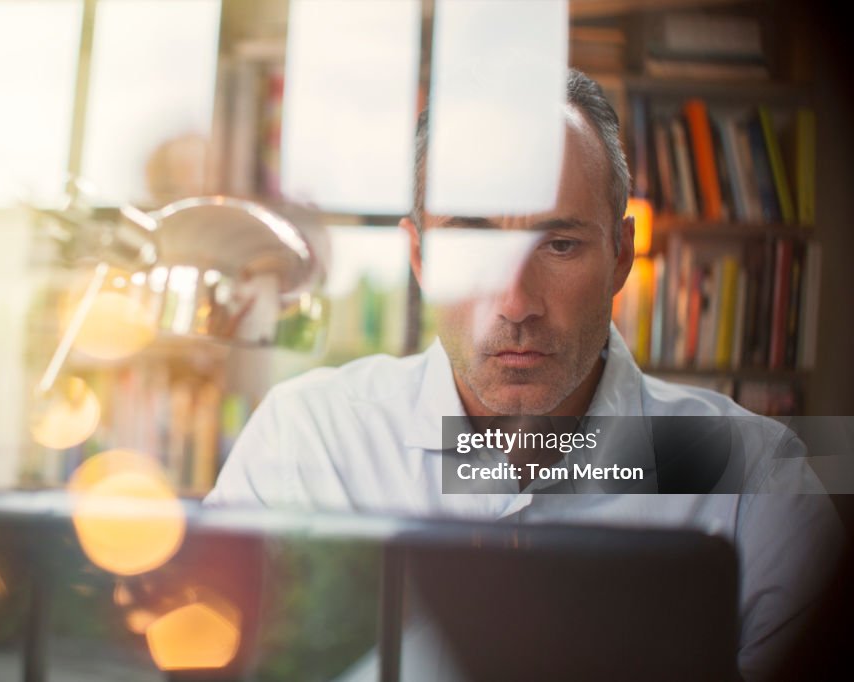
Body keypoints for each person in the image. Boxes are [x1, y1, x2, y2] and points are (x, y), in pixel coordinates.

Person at [206, 69, 845, 680]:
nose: (514, 303)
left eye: (559, 244)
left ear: (621, 256)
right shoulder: (306, 442)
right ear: (420, 256)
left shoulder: (753, 482)